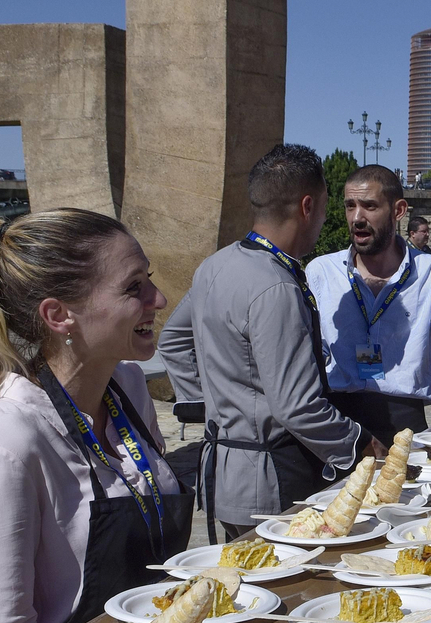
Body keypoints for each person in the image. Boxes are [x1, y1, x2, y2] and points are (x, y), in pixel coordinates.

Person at [0, 210, 192, 623]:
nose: (158, 299)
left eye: (150, 281)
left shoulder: (128, 388)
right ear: (59, 315)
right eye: (132, 287)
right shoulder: (5, 446)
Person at [161, 144, 382, 541]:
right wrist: (360, 442)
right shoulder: (275, 284)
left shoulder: (215, 265)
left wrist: (207, 406)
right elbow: (296, 405)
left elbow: (173, 340)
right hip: (273, 481)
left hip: (225, 472)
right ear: (308, 206)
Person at [306, 164, 431, 439]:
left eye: (369, 206)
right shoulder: (321, 272)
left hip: (405, 425)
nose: (357, 217)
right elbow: (308, 359)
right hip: (338, 424)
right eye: (350, 205)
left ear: (398, 210)